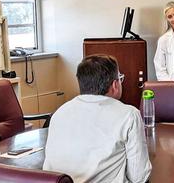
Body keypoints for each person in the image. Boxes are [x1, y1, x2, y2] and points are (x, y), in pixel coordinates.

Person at [43, 54, 151, 183]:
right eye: (120, 78)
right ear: (115, 85)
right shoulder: (129, 115)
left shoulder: (59, 113)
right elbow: (139, 177)